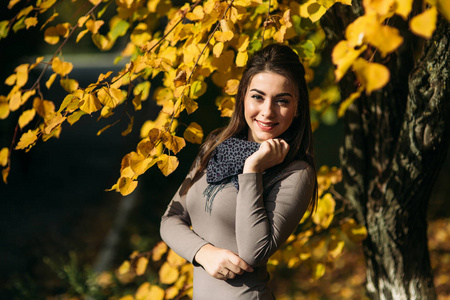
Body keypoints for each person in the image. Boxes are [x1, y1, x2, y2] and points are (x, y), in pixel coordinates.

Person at [160, 43, 318, 299]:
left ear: (298, 108)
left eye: (282, 101)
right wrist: (203, 253)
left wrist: (252, 169)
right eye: (258, 96)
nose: (267, 111)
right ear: (243, 96)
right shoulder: (216, 146)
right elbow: (171, 217)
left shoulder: (296, 172)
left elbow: (253, 252)